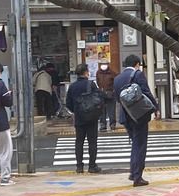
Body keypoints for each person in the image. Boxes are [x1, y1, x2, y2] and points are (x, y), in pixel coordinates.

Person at [113, 53, 155, 187]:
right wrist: (156, 108)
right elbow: (146, 93)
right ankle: (137, 176)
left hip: (125, 116)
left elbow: (117, 98)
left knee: (135, 144)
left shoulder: (117, 78)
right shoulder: (138, 75)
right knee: (140, 145)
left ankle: (133, 172)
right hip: (139, 116)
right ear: (137, 64)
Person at [65, 63, 103, 173]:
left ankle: (79, 166)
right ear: (86, 72)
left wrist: (76, 110)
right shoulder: (91, 84)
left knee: (79, 142)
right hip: (91, 117)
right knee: (92, 142)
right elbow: (98, 99)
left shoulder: (72, 86)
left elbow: (68, 103)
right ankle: (92, 166)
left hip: (79, 117)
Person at [95, 61, 116, 130]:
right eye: (102, 64)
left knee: (111, 110)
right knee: (102, 110)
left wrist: (112, 90)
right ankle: (102, 124)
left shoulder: (112, 73)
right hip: (101, 93)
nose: (104, 65)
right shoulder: (98, 73)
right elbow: (98, 82)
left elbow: (115, 82)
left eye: (105, 64)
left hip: (110, 93)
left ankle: (112, 123)